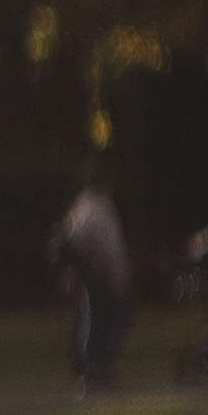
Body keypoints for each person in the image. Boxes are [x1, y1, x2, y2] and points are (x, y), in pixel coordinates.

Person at [51, 162, 130, 392]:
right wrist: (120, 275)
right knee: (106, 317)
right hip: (96, 272)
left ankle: (88, 364)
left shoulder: (80, 205)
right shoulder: (100, 207)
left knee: (89, 317)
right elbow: (111, 247)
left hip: (82, 271)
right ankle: (95, 365)